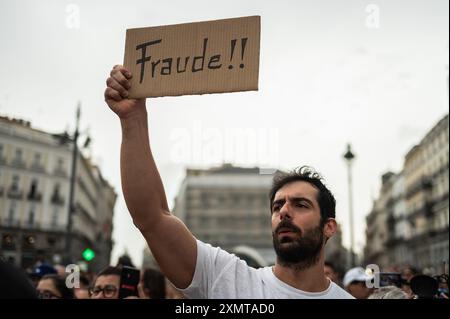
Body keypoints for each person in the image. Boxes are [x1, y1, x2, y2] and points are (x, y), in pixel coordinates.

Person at [104, 65, 353, 299]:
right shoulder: (229, 280)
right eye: (277, 207)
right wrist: (133, 119)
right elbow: (152, 218)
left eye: (300, 204)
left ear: (329, 227)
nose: (284, 212)